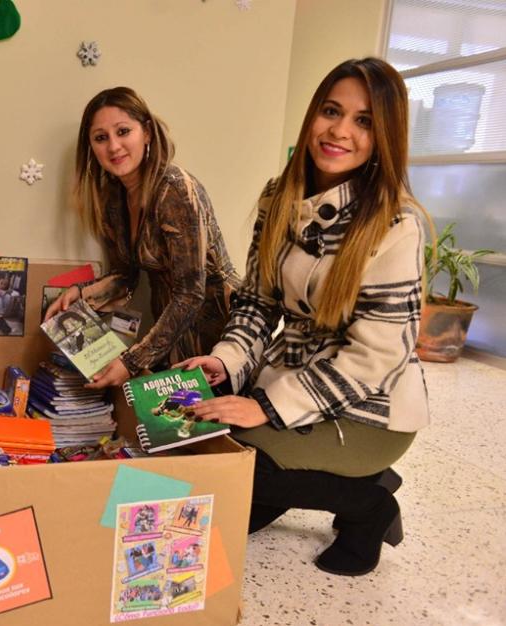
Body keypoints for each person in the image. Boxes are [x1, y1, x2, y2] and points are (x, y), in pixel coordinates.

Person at [177, 58, 430, 577]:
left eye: (364, 121)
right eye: (331, 111)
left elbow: (374, 361)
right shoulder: (280, 197)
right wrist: (226, 363)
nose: (340, 131)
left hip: (369, 411)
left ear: (385, 135)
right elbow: (257, 304)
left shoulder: (396, 225)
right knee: (215, 471)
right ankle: (298, 474)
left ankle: (371, 505)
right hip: (292, 384)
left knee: (237, 465)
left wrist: (267, 407)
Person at [44, 86, 239, 388]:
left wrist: (132, 361)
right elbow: (125, 275)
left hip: (217, 332)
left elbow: (191, 293)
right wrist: (81, 295)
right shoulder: (113, 198)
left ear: (146, 133)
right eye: (101, 138)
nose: (114, 147)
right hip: (168, 330)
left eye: (123, 132)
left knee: (202, 428)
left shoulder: (175, 190)